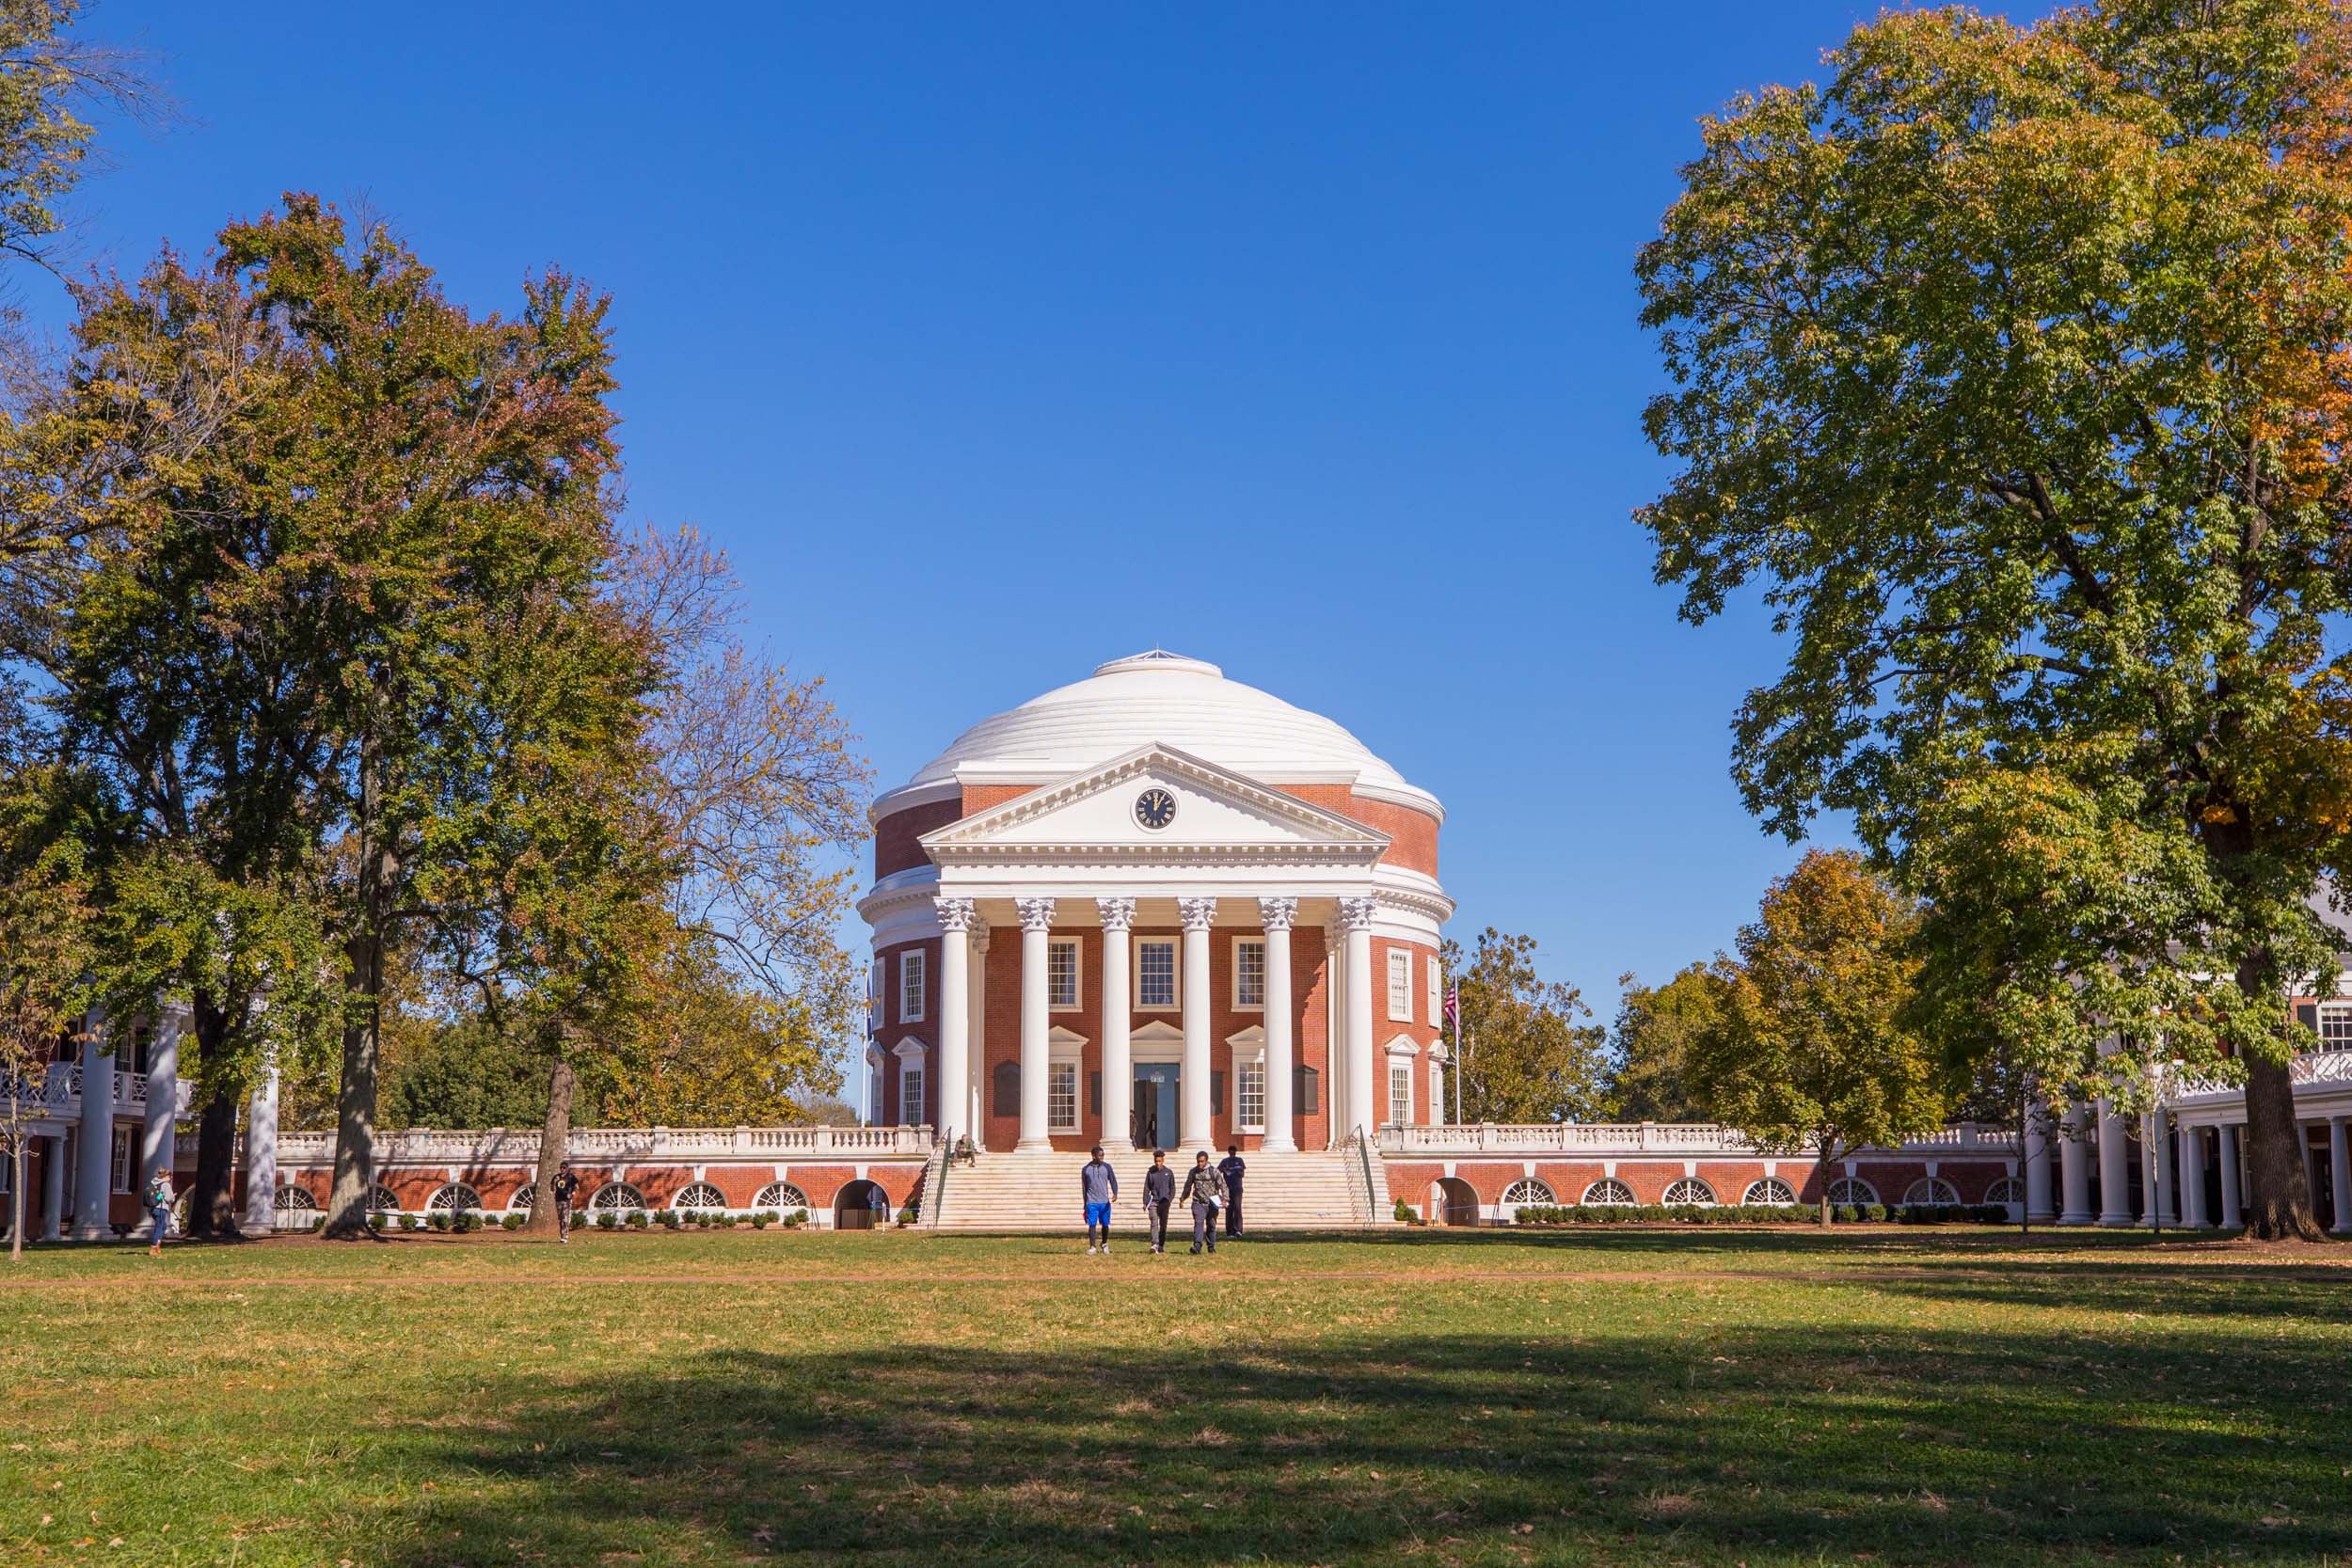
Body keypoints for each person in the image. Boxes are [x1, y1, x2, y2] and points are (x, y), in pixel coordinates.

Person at [1179, 1150, 1227, 1254]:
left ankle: (1211, 1246)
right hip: (1198, 1202)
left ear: (1206, 1161)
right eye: (1198, 1162)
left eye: (1202, 1161)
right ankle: (1197, 1245)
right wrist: (1183, 1198)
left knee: (1211, 1224)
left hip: (1212, 1203)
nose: (1200, 1164)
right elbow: (1188, 1186)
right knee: (1198, 1223)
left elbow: (1223, 1185)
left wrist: (1225, 1199)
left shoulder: (1214, 1172)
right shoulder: (1193, 1172)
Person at [1080, 1144, 1119, 1254]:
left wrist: (1115, 1193)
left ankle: (1104, 1243)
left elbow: (1113, 1180)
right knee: (1092, 1224)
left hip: (1104, 1202)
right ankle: (1093, 1247)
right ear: (1093, 1156)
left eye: (1103, 1155)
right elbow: (1084, 1187)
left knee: (1105, 1224)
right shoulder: (1086, 1169)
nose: (1102, 1157)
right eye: (1099, 1155)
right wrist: (1085, 1202)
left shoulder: (1107, 1167)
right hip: (1091, 1202)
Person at [1140, 1148, 1175, 1253]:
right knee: (1154, 1223)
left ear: (1163, 1160)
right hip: (1154, 1202)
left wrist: (1169, 1199)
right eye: (1156, 1161)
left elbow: (1172, 1187)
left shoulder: (1168, 1173)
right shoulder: (1150, 1172)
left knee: (1163, 1225)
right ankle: (1154, 1244)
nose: (1158, 1163)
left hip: (1164, 1202)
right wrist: (1145, 1201)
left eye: (1159, 1161)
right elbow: (1147, 1187)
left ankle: (1161, 1245)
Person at [142, 1166, 173, 1258]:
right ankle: (154, 1247)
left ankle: (157, 1244)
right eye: (170, 1176)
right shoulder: (166, 1185)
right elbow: (169, 1198)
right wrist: (173, 1197)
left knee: (163, 1226)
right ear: (166, 1176)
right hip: (161, 1208)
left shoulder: (153, 1183)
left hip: (153, 1208)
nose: (170, 1178)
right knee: (159, 1227)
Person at [1217, 1144, 1247, 1238]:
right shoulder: (1225, 1161)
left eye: (1233, 1151)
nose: (1232, 1153)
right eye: (1231, 1151)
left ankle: (1238, 1230)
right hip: (1227, 1189)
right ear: (1228, 1152)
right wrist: (1225, 1170)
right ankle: (1229, 1231)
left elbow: (1242, 1173)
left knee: (1237, 1208)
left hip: (1237, 1188)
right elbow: (1218, 1170)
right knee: (1229, 1209)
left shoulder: (1239, 1160)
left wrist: (1237, 1171)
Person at [549, 1162, 580, 1243]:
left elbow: (577, 1187)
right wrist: (554, 1182)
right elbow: (552, 1189)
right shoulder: (556, 1177)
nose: (562, 1169)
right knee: (560, 1218)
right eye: (561, 1168)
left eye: (564, 1168)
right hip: (558, 1200)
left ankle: (565, 1236)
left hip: (567, 1200)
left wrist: (573, 1193)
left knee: (564, 1218)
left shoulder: (570, 1177)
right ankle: (562, 1235)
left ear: (567, 1168)